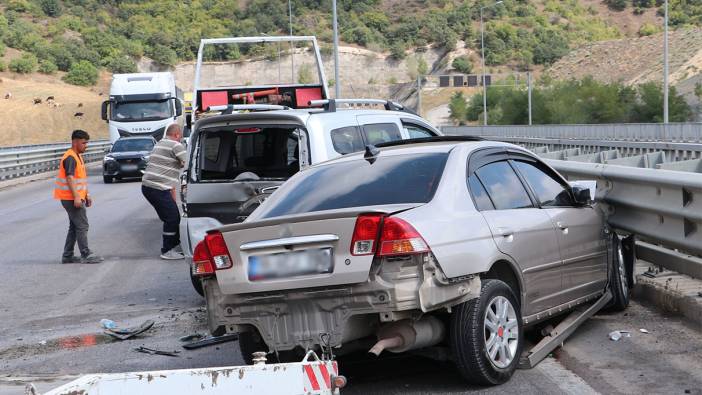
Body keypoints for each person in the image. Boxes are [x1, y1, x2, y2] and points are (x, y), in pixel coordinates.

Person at [54, 130, 104, 264]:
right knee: (82, 225)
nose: (86, 145)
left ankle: (67, 256)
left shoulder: (77, 156)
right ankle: (86, 254)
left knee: (74, 227)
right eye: (84, 143)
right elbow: (70, 178)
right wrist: (77, 197)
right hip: (71, 198)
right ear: (75, 142)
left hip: (74, 197)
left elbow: (79, 179)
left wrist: (86, 194)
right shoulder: (70, 157)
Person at [141, 124, 187, 260]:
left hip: (150, 187)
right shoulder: (175, 145)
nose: (180, 139)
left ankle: (175, 246)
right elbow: (188, 162)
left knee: (171, 217)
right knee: (172, 218)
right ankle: (167, 250)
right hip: (157, 188)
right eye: (181, 136)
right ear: (177, 135)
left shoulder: (160, 143)